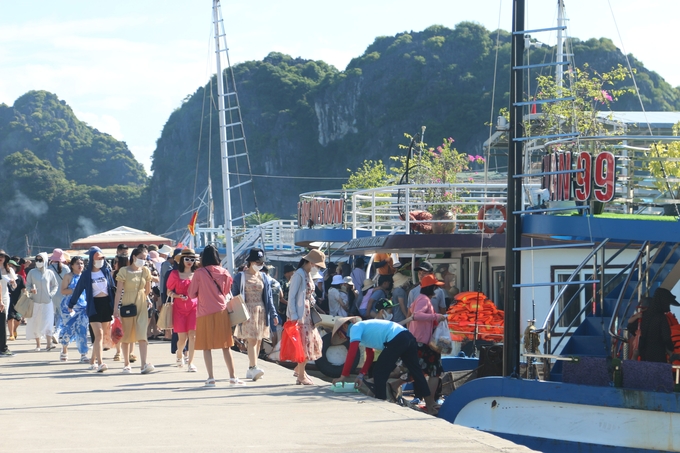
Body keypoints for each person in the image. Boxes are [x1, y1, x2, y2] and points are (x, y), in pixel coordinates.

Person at [330, 316, 438, 414]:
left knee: (379, 372)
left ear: (345, 326)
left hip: (397, 338)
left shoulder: (355, 328)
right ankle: (430, 405)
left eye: (340, 333)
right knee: (416, 372)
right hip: (407, 336)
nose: (342, 337)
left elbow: (352, 353)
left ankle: (381, 403)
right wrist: (361, 375)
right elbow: (370, 355)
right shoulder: (364, 330)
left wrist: (343, 376)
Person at [187, 245, 244, 387]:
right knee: (226, 346)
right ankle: (232, 377)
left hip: (204, 312)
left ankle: (211, 378)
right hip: (221, 311)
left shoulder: (199, 273)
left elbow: (191, 293)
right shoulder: (225, 272)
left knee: (207, 347)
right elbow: (226, 292)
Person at [231, 248, 278, 381]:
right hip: (247, 311)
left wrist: (273, 314)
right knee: (251, 340)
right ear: (250, 262)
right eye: (257, 262)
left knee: (258, 341)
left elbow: (269, 297)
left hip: (261, 310)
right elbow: (235, 295)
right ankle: (253, 367)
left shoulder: (264, 277)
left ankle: (252, 367)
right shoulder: (240, 276)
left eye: (261, 262)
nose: (260, 264)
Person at [405, 274, 448, 404]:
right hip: (422, 342)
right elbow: (417, 315)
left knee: (414, 372)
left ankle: (393, 386)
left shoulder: (418, 299)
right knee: (435, 371)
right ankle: (431, 402)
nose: (436, 290)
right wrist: (436, 316)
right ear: (431, 288)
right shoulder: (424, 300)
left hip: (417, 340)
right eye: (435, 287)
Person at [71, 247, 116, 372]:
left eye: (102, 258)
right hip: (93, 305)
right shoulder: (86, 274)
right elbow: (78, 289)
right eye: (98, 258)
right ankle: (101, 363)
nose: (100, 260)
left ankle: (92, 360)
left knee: (102, 336)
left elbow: (112, 288)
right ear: (92, 258)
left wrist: (116, 305)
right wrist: (71, 304)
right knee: (99, 334)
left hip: (106, 304)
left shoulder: (106, 271)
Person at [113, 247, 155, 374]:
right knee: (126, 334)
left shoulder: (146, 271)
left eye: (145, 258)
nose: (143, 261)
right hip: (127, 303)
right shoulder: (124, 271)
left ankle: (143, 364)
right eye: (141, 258)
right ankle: (126, 364)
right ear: (134, 257)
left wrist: (145, 298)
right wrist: (116, 308)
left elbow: (148, 289)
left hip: (141, 304)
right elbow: (119, 291)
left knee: (142, 333)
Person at [286, 249, 325, 385]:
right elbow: (292, 296)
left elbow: (306, 295)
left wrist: (312, 300)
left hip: (307, 313)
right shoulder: (299, 274)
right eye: (316, 264)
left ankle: (300, 370)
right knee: (304, 343)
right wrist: (294, 314)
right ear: (310, 262)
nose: (317, 267)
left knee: (312, 342)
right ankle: (301, 375)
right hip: (301, 314)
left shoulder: (306, 274)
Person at [166, 248, 199, 372]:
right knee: (182, 338)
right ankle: (179, 353)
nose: (190, 262)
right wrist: (178, 296)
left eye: (192, 259)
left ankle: (191, 362)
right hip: (179, 308)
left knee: (193, 335)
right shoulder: (174, 274)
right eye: (187, 259)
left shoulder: (197, 274)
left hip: (194, 307)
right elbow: (169, 291)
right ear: (182, 260)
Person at [26, 252, 59, 352]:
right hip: (35, 301)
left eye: (41, 260)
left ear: (45, 261)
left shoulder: (50, 273)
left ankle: (49, 344)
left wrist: (51, 294)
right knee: (36, 322)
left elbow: (55, 285)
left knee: (48, 321)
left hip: (47, 301)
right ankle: (38, 344)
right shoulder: (32, 272)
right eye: (37, 260)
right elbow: (27, 285)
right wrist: (31, 290)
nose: (38, 262)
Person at [59, 256, 89, 363]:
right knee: (68, 329)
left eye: (81, 263)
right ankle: (64, 349)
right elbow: (63, 291)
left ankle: (83, 353)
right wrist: (75, 290)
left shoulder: (86, 276)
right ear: (72, 265)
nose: (80, 265)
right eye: (77, 263)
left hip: (83, 307)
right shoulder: (68, 276)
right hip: (68, 307)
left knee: (82, 329)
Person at [639, 287, 678, 363]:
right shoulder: (661, 317)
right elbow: (666, 337)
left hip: (645, 353)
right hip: (659, 354)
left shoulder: (645, 316)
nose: (669, 308)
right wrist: (671, 348)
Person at [48, 248, 70, 344]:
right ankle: (58, 333)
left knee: (54, 315)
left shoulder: (48, 268)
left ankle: (55, 332)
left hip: (51, 295)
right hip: (63, 294)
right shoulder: (66, 268)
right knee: (62, 315)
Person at [0, 251, 17, 356]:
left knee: (3, 321)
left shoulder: (8, 269)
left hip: (5, 296)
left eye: (2, 256)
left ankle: (3, 346)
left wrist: (12, 282)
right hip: (0, 297)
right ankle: (3, 347)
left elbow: (15, 286)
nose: (1, 258)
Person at [7, 257, 26, 342]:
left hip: (18, 301)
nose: (11, 268)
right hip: (8, 300)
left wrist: (26, 294)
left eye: (13, 267)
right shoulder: (5, 278)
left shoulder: (20, 278)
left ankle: (14, 329)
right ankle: (11, 334)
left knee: (18, 319)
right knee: (10, 317)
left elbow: (23, 288)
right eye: (9, 266)